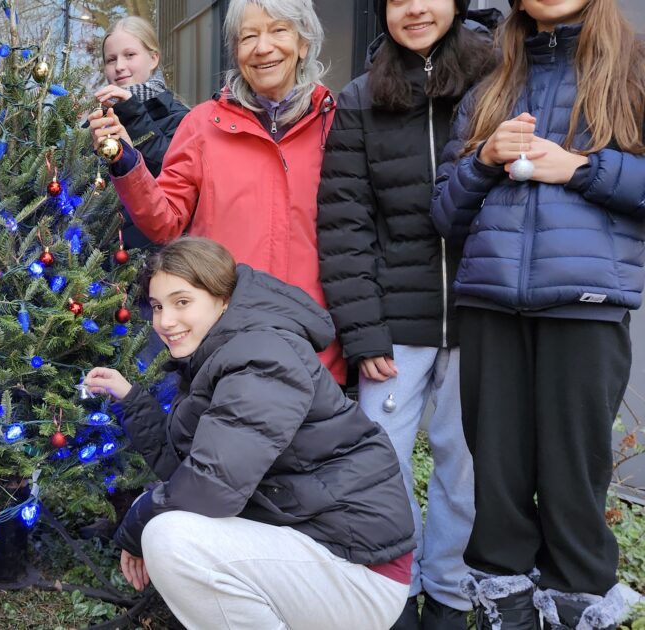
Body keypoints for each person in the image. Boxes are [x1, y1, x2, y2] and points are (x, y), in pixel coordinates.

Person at [430, 0, 645, 627]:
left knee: (573, 490)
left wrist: (580, 168)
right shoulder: (491, 80)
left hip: (586, 307)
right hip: (490, 306)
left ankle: (577, 613)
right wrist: (484, 161)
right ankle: (507, 617)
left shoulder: (631, 69)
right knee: (495, 491)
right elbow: (445, 213)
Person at [83, 237, 415, 629]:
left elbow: (210, 487)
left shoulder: (263, 357)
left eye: (182, 302)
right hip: (312, 542)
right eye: (157, 307)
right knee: (167, 526)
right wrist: (134, 401)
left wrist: (136, 525)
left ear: (223, 299)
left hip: (357, 566)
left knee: (169, 538)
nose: (165, 321)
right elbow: (187, 471)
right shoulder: (221, 352)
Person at [315, 1, 498, 627]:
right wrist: (364, 329)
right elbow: (345, 224)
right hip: (394, 324)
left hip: (481, 310)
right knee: (379, 462)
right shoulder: (362, 97)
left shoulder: (497, 75)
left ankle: (447, 591)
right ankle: (392, 591)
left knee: (464, 462)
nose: (414, 8)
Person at [88, 0, 345, 383]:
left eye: (278, 31)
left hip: (312, 346)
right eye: (249, 36)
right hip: (223, 346)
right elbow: (165, 223)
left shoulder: (336, 125)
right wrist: (125, 160)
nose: (263, 47)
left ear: (303, 42)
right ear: (235, 50)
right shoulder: (202, 126)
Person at [93, 16, 189, 251]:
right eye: (111, 59)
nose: (119, 66)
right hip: (99, 262)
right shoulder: (100, 119)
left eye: (130, 55)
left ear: (153, 58)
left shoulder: (181, 116)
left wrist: (134, 113)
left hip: (155, 257)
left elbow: (170, 171)